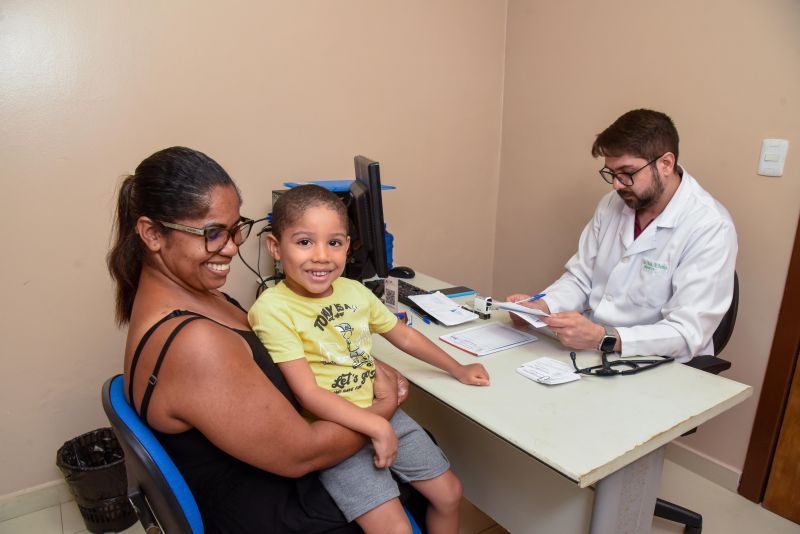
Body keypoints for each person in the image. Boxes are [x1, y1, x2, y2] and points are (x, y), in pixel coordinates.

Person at [107, 146, 418, 533]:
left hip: (258, 480)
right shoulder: (195, 342)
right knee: (415, 472)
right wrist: (383, 408)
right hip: (271, 510)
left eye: (236, 227)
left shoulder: (199, 298)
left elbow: (281, 358)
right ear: (152, 234)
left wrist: (358, 361)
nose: (232, 247)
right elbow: (304, 454)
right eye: (212, 233)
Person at [248, 185, 490, 534]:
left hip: (385, 414)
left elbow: (403, 334)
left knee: (450, 493)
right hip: (335, 431)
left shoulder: (355, 291)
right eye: (304, 242)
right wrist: (376, 425)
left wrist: (457, 368)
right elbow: (308, 394)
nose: (321, 256)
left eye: (334, 242)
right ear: (275, 246)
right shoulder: (272, 309)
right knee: (394, 529)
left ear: (348, 245)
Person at [507, 109, 737, 363]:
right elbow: (582, 278)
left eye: (627, 173)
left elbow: (686, 332)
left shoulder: (710, 226)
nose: (617, 184)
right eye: (612, 173)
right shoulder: (612, 204)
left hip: (659, 362)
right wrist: (542, 307)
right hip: (595, 352)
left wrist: (603, 337)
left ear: (666, 164)